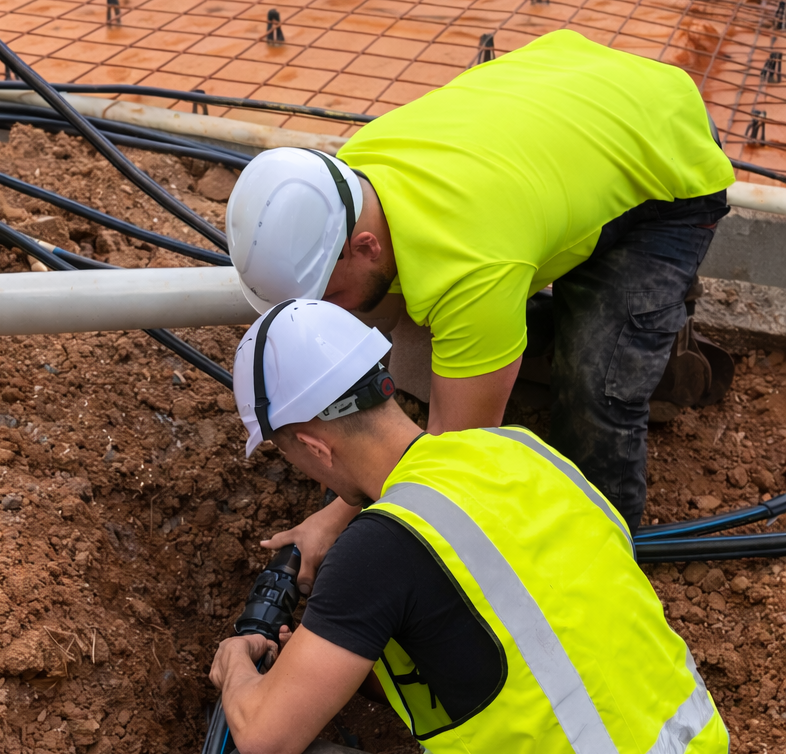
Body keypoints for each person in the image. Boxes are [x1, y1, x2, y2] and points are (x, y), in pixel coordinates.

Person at [195, 299, 728, 754]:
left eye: (287, 452)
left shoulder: (379, 550)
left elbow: (264, 739)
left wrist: (238, 667)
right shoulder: (519, 452)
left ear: (315, 447)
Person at [225, 30, 734, 571]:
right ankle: (629, 327)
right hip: (576, 104)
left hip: (666, 149)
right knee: (439, 341)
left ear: (366, 246)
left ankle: (601, 556)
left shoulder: (474, 270)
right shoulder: (352, 179)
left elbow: (456, 454)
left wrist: (333, 521)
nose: (333, 314)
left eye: (331, 297)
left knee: (596, 386)